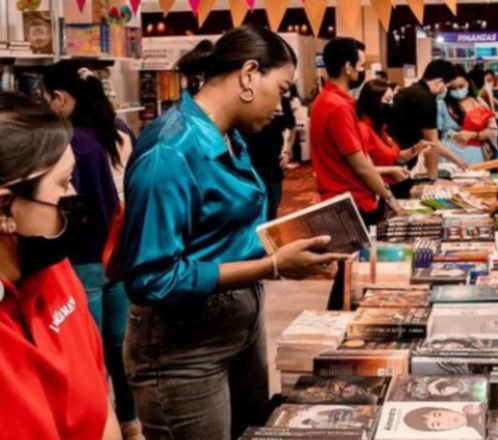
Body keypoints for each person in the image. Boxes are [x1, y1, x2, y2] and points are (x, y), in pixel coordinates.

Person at [122, 26, 348, 440]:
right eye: (279, 90)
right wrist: (275, 265)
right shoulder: (169, 152)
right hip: (184, 350)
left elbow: (226, 230)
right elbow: (151, 278)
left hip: (240, 325)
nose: (281, 105)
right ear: (248, 75)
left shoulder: (232, 137)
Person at [0, 92, 121, 439]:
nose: (74, 196)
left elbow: (100, 406)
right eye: (64, 183)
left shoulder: (56, 272)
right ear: (6, 209)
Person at [42, 60, 142, 439]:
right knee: (121, 347)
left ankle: (102, 425)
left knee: (89, 353)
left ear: (61, 98)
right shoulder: (119, 132)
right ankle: (131, 423)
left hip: (83, 259)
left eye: (47, 98)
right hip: (119, 254)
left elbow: (72, 210)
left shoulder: (71, 141)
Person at [310, 37, 403, 311]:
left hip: (343, 199)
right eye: (361, 65)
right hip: (349, 203)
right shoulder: (337, 106)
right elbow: (360, 164)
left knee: (348, 277)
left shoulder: (328, 100)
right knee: (350, 280)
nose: (364, 72)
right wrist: (389, 197)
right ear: (348, 67)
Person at [388, 59, 469, 183]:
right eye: (446, 86)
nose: (445, 91)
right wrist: (433, 180)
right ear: (439, 82)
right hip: (404, 162)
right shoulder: (427, 100)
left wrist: (457, 160)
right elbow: (432, 143)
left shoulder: (407, 91)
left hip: (392, 156)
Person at [356, 79, 429, 186]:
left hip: (387, 187)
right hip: (373, 189)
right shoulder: (363, 130)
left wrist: (415, 149)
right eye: (388, 100)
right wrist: (391, 170)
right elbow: (361, 168)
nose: (391, 104)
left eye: (392, 100)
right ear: (374, 101)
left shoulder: (380, 129)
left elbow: (396, 156)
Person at [242, 93, 296, 220]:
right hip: (251, 164)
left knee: (273, 205)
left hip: (274, 163)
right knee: (254, 209)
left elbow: (291, 126)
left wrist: (287, 150)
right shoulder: (247, 98)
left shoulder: (281, 100)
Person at [438, 66, 498, 166]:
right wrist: (455, 135)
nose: (457, 91)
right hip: (449, 158)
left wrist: (472, 135)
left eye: (461, 86)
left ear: (467, 83)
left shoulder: (479, 103)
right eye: (452, 88)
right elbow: (435, 137)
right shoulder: (442, 105)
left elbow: (492, 131)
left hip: (475, 156)